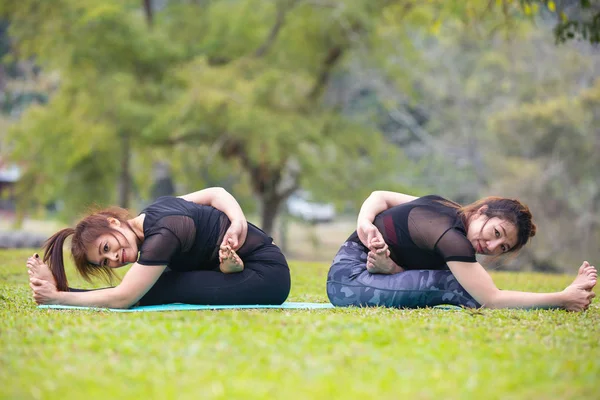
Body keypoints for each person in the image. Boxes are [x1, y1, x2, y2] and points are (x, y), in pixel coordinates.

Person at [327, 191, 597, 311]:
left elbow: (381, 197)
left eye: (502, 247)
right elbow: (491, 298)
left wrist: (392, 270)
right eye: (496, 233)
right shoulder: (450, 235)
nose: (490, 247)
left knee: (459, 279)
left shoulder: (446, 210)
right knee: (456, 284)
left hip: (365, 275)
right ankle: (564, 299)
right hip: (348, 281)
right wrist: (562, 298)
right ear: (482, 212)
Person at [26, 187, 291, 308]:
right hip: (241, 270)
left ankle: (63, 293)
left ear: (114, 223)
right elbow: (214, 194)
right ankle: (64, 291)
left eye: (107, 246)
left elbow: (124, 298)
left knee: (163, 285)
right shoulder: (154, 212)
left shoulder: (163, 232)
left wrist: (238, 221)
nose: (114, 257)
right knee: (159, 283)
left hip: (267, 276)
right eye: (105, 260)